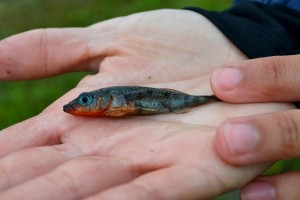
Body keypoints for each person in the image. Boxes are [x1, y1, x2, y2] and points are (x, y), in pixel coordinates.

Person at [0, 2, 298, 200]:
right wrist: (270, 25)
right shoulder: (112, 106)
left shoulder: (118, 102)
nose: (80, 106)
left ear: (107, 100)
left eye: (88, 100)